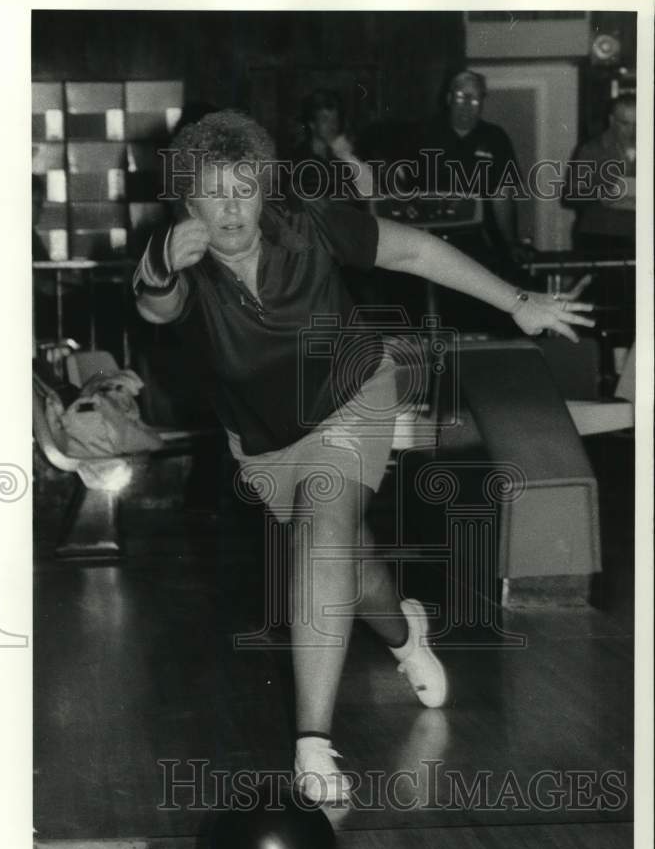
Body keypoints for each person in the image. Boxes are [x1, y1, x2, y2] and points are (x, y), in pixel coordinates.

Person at [133, 110, 594, 804]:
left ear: (264, 189)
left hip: (351, 391)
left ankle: (312, 747)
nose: (230, 206)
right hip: (263, 440)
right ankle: (404, 631)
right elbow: (155, 309)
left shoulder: (308, 223)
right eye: (212, 190)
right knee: (347, 557)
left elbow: (411, 251)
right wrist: (159, 259)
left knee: (322, 531)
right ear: (187, 199)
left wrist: (517, 301)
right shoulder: (178, 260)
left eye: (245, 187)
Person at [416, 69, 529, 272]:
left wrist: (511, 243)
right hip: (433, 244)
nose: (467, 105)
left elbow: (502, 196)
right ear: (449, 98)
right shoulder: (424, 135)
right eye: (461, 97)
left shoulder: (495, 138)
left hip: (482, 243)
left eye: (475, 99)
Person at [563, 94, 636, 254]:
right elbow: (570, 196)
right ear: (612, 121)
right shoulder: (591, 150)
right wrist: (600, 194)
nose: (633, 131)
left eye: (638, 124)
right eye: (625, 124)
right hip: (600, 235)